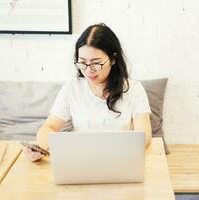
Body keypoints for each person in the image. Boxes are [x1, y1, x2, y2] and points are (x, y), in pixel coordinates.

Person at [24, 23, 152, 162]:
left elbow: (144, 136)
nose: (88, 70)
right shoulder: (72, 88)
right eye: (82, 62)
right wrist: (44, 149)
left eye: (96, 63)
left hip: (121, 160)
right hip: (80, 161)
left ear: (113, 59)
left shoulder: (134, 89)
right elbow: (48, 127)